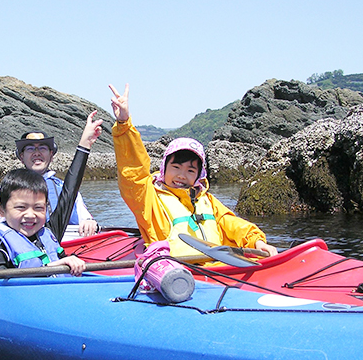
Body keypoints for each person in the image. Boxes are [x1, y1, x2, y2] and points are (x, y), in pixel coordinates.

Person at [108, 83, 278, 258]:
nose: (182, 175)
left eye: (190, 170)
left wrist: (257, 241)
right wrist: (124, 124)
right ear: (164, 168)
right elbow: (133, 172)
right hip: (176, 272)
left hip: (216, 268)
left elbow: (232, 224)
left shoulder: (206, 200)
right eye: (176, 167)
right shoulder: (148, 199)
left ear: (199, 175)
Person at [0, 111, 103, 274]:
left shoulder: (49, 232)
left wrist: (85, 144)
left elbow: (70, 191)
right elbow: (1, 281)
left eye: (38, 208)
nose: (30, 215)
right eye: (20, 208)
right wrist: (50, 268)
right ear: (1, 210)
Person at [0, 126, 99, 237]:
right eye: (30, 148)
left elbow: (86, 218)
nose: (37, 153)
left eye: (42, 148)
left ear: (51, 155)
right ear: (21, 157)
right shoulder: (9, 187)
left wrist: (89, 222)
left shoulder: (65, 188)